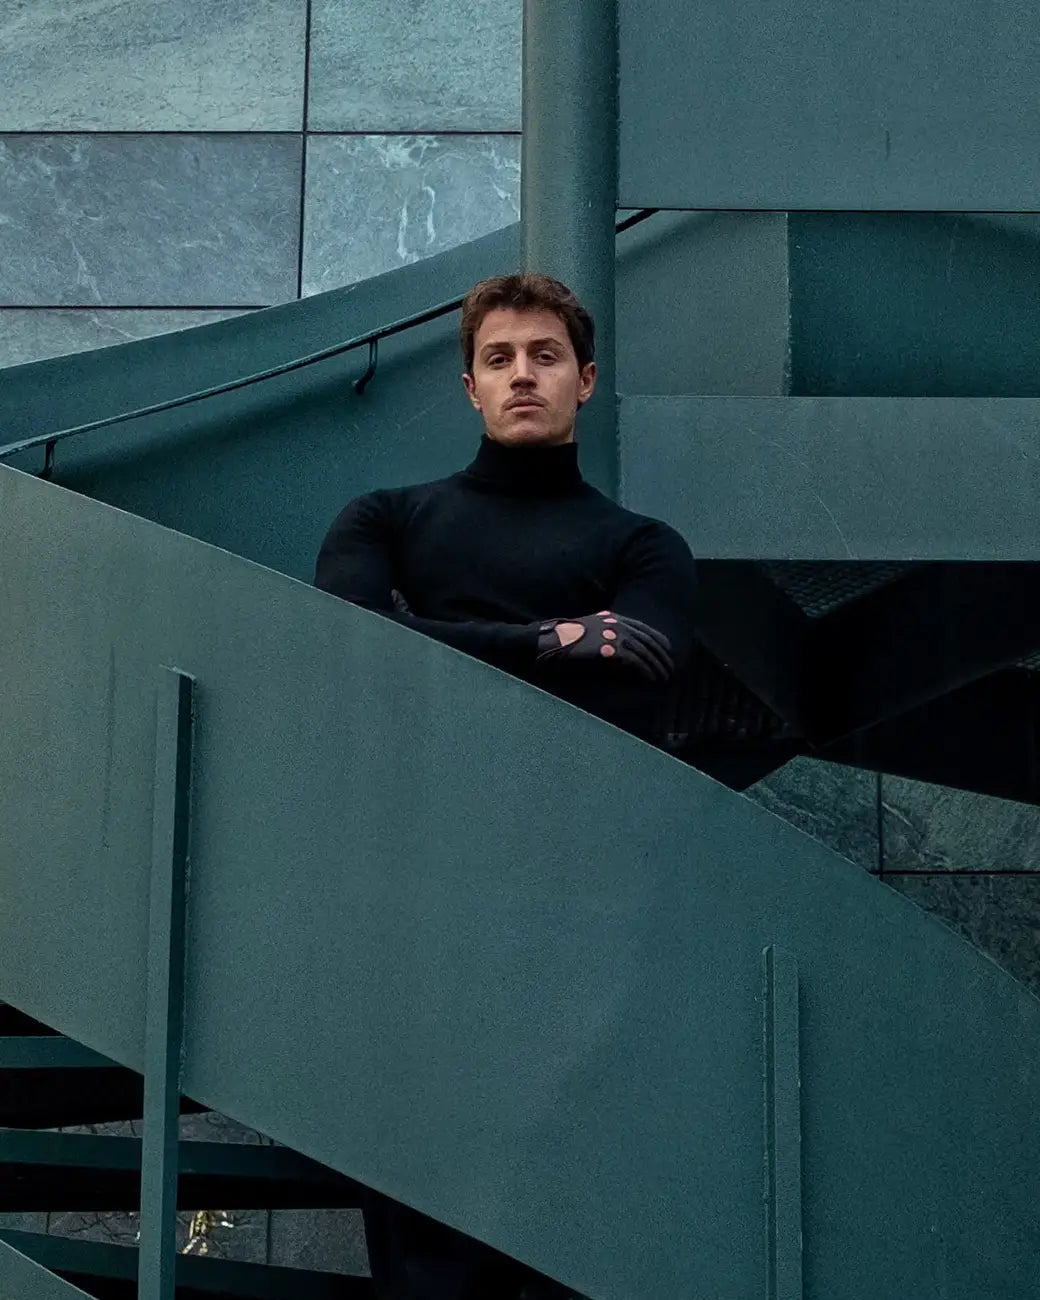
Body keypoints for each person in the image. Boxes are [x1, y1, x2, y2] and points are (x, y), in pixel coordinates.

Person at [314, 273, 698, 1299]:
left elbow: (642, 676)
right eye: (499, 358)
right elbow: (351, 647)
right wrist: (549, 640)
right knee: (419, 1180)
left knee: (567, 1179)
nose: (522, 374)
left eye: (543, 355)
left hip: (579, 892)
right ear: (470, 387)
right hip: (414, 887)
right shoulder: (384, 518)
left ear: (586, 380)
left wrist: (432, 639)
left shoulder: (645, 547)